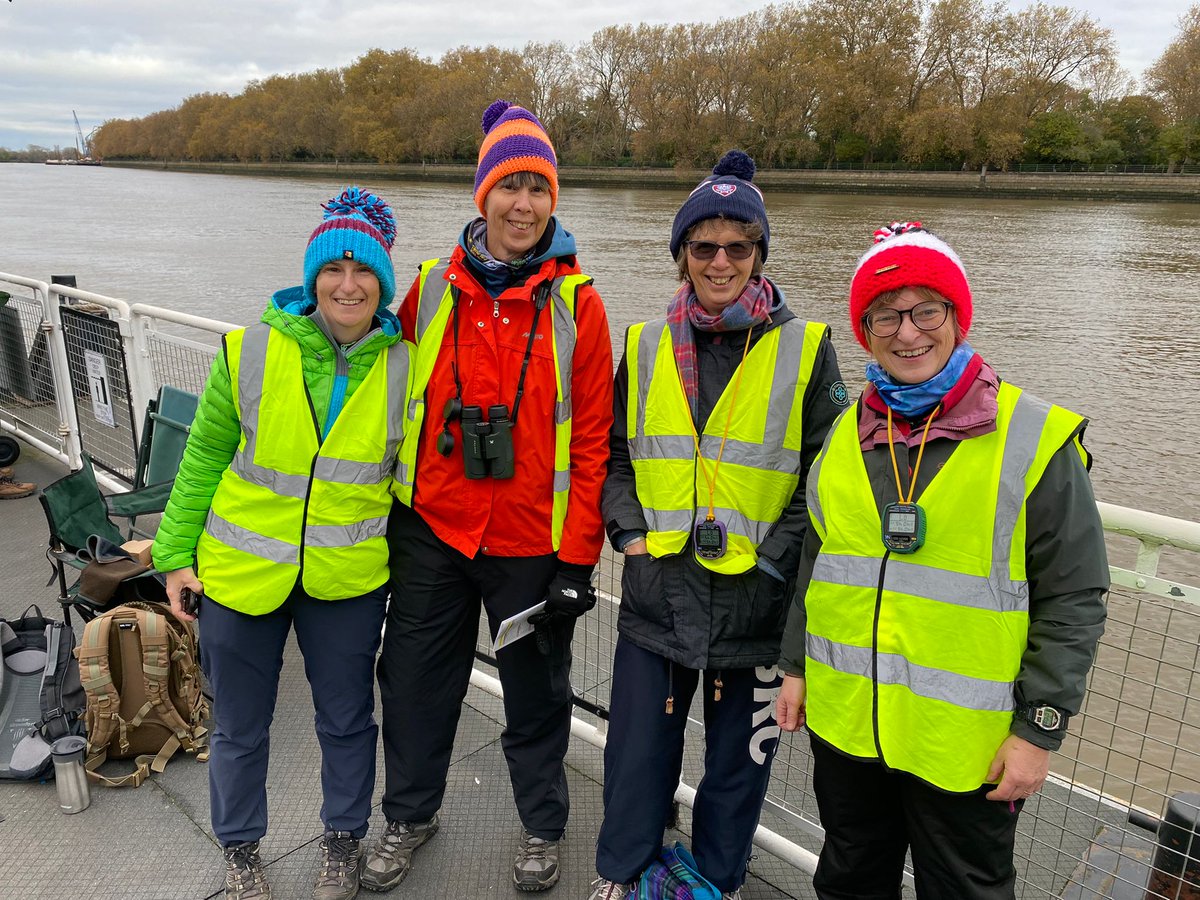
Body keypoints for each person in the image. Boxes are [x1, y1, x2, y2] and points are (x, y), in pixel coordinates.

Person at [775, 222, 1109, 900]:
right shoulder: (844, 433)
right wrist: (795, 668)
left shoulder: (1034, 438)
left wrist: (1039, 729)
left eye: (927, 310)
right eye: (885, 315)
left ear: (958, 317)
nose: (908, 333)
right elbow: (819, 559)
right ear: (864, 330)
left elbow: (1073, 597)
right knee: (848, 877)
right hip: (848, 726)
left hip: (964, 746)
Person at [362, 100, 612, 894]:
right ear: (483, 196)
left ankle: (542, 826)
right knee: (411, 685)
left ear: (554, 200)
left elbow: (595, 442)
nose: (524, 205)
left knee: (536, 696)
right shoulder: (432, 290)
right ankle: (408, 814)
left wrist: (579, 560)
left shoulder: (581, 307)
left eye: (539, 188)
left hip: (532, 543)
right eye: (510, 186)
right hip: (434, 526)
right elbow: (364, 359)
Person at [588, 150, 849, 900]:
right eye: (704, 247)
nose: (721, 261)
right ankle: (625, 868)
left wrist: (775, 560)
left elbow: (823, 480)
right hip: (657, 592)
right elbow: (614, 457)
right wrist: (629, 535)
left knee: (739, 766)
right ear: (682, 257)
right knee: (637, 753)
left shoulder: (806, 346)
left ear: (760, 254)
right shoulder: (641, 346)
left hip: (754, 605)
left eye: (739, 246)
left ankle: (717, 880)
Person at [152, 187, 411, 900]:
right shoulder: (248, 350)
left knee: (347, 722)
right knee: (239, 728)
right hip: (241, 575)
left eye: (365, 273)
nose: (348, 285)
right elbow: (203, 457)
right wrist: (175, 557)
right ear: (312, 277)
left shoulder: (405, 367)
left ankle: (341, 843)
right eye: (334, 269)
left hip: (347, 582)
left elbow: (417, 483)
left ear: (385, 285)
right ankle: (241, 853)